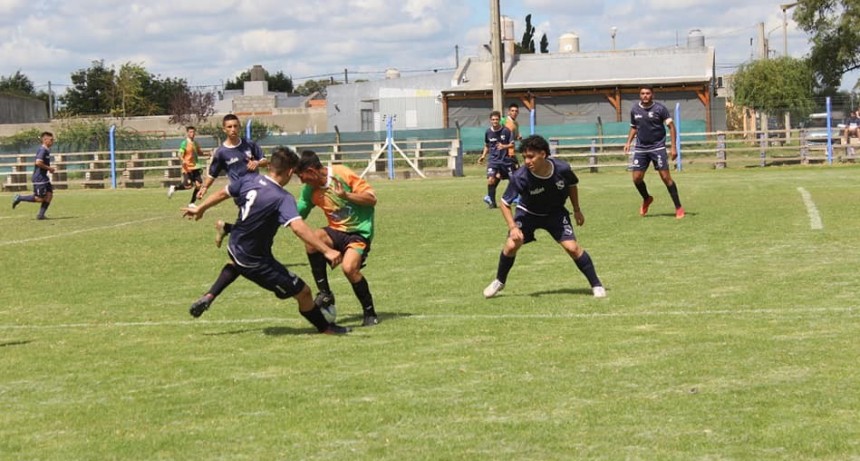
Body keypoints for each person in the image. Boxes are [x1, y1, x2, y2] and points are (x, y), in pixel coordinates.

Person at [180, 146, 350, 335]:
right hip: (256, 261)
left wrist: (200, 208)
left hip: (235, 245)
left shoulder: (249, 179)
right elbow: (298, 227)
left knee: (237, 263)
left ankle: (210, 295)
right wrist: (327, 250)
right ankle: (326, 328)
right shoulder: (282, 198)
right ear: (290, 172)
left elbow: (223, 193)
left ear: (270, 166)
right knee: (304, 293)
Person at [483, 134, 606, 299]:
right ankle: (499, 281)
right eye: (525, 157)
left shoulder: (562, 168)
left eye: (531, 157)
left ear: (543, 154)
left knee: (572, 248)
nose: (527, 161)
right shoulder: (520, 177)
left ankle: (596, 285)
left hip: (555, 213)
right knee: (512, 245)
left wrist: (577, 209)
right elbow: (504, 203)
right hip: (528, 214)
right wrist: (513, 227)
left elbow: (572, 185)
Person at [295, 150, 380, 327]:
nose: (302, 181)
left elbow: (371, 199)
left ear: (311, 171)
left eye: (302, 177)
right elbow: (299, 212)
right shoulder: (310, 189)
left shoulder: (341, 173)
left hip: (359, 234)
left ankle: (369, 312)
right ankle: (325, 293)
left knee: (349, 269)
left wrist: (346, 196)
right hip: (336, 232)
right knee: (313, 239)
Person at [623, 85, 685, 219]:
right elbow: (634, 127)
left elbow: (671, 127)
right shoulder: (635, 109)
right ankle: (647, 198)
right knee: (636, 178)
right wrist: (628, 142)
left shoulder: (660, 109)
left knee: (666, 178)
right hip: (641, 148)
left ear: (652, 94)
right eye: (642, 93)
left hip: (657, 147)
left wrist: (673, 147)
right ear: (640, 95)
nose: (645, 95)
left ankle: (678, 207)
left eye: (648, 93)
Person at [197, 114, 267, 201]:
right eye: (229, 127)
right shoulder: (221, 152)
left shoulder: (249, 144)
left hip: (257, 188)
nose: (233, 129)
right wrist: (204, 188)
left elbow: (264, 161)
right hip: (240, 193)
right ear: (224, 129)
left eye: (235, 126)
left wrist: (257, 163)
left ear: (239, 127)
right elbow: (212, 174)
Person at [12, 132, 56, 220]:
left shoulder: (46, 150)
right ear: (45, 140)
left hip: (44, 177)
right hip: (39, 178)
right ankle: (19, 198)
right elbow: (38, 162)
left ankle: (40, 215)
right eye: (51, 140)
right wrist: (49, 168)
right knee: (40, 198)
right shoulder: (42, 150)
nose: (52, 141)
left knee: (49, 195)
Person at [477, 110, 515, 209]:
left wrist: (504, 146)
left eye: (497, 119)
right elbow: (487, 145)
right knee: (490, 180)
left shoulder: (506, 131)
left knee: (513, 180)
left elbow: (512, 144)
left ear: (499, 120)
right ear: (490, 120)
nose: (495, 121)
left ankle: (515, 198)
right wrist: (483, 156)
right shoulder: (488, 132)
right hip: (493, 160)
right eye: (493, 119)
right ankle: (492, 202)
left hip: (505, 160)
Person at [168, 126, 206, 206]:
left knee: (199, 185)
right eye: (190, 132)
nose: (192, 133)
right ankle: (174, 187)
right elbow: (180, 154)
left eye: (193, 132)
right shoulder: (184, 143)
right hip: (187, 168)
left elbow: (200, 152)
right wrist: (183, 160)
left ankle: (192, 203)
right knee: (188, 186)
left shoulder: (195, 143)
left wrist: (208, 154)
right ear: (187, 133)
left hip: (195, 167)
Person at [501, 103, 523, 169]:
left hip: (511, 151)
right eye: (512, 111)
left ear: (518, 113)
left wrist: (518, 137)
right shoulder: (503, 120)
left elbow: (514, 137)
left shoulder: (516, 123)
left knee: (516, 170)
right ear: (509, 112)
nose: (514, 112)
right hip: (503, 151)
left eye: (516, 111)